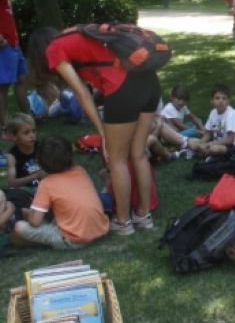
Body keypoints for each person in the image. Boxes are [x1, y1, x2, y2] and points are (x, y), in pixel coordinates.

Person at [26, 26, 159, 236]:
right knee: (138, 153)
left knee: (117, 160)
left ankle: (123, 222)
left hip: (123, 89)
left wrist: (103, 133)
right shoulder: (79, 33)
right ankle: (143, 215)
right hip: (150, 82)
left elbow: (81, 93)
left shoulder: (54, 49)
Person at [11, 136, 108, 249]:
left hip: (75, 240)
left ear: (41, 163)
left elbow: (35, 222)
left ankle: (46, 242)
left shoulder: (46, 183)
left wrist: (33, 207)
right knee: (36, 214)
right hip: (100, 229)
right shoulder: (80, 170)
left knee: (19, 227)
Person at [0, 0, 30, 130]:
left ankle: (27, 118)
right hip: (5, 45)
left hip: (13, 44)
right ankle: (5, 125)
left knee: (21, 78)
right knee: (3, 87)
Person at [187, 83, 235, 158]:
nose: (221, 101)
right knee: (191, 141)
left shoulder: (231, 115)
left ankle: (202, 153)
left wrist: (210, 144)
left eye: (224, 98)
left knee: (214, 149)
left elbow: (230, 140)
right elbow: (209, 133)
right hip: (219, 142)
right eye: (217, 98)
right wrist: (200, 142)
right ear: (212, 100)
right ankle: (202, 152)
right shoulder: (213, 113)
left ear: (228, 101)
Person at [4, 113, 43, 191]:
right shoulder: (12, 157)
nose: (32, 135)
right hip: (26, 190)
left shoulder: (41, 147)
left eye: (33, 131)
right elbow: (11, 183)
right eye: (26, 132)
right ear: (14, 136)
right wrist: (36, 176)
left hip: (46, 187)